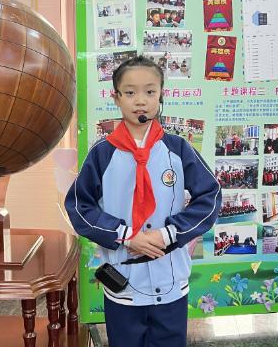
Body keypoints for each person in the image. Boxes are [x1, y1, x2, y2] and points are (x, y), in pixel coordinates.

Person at [65, 56, 221, 347]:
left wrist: (168, 234)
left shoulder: (178, 149)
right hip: (123, 283)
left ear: (161, 94)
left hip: (171, 280)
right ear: (116, 97)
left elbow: (210, 197)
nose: (140, 100)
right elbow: (79, 207)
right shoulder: (102, 153)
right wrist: (125, 236)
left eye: (150, 91)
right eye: (130, 92)